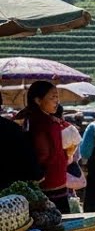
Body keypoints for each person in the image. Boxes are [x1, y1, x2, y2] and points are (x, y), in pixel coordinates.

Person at [17, 81, 72, 212]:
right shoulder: (44, 123)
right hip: (49, 182)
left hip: (50, 181)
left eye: (57, 97)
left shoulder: (34, 119)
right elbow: (43, 154)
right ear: (38, 100)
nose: (57, 101)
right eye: (53, 97)